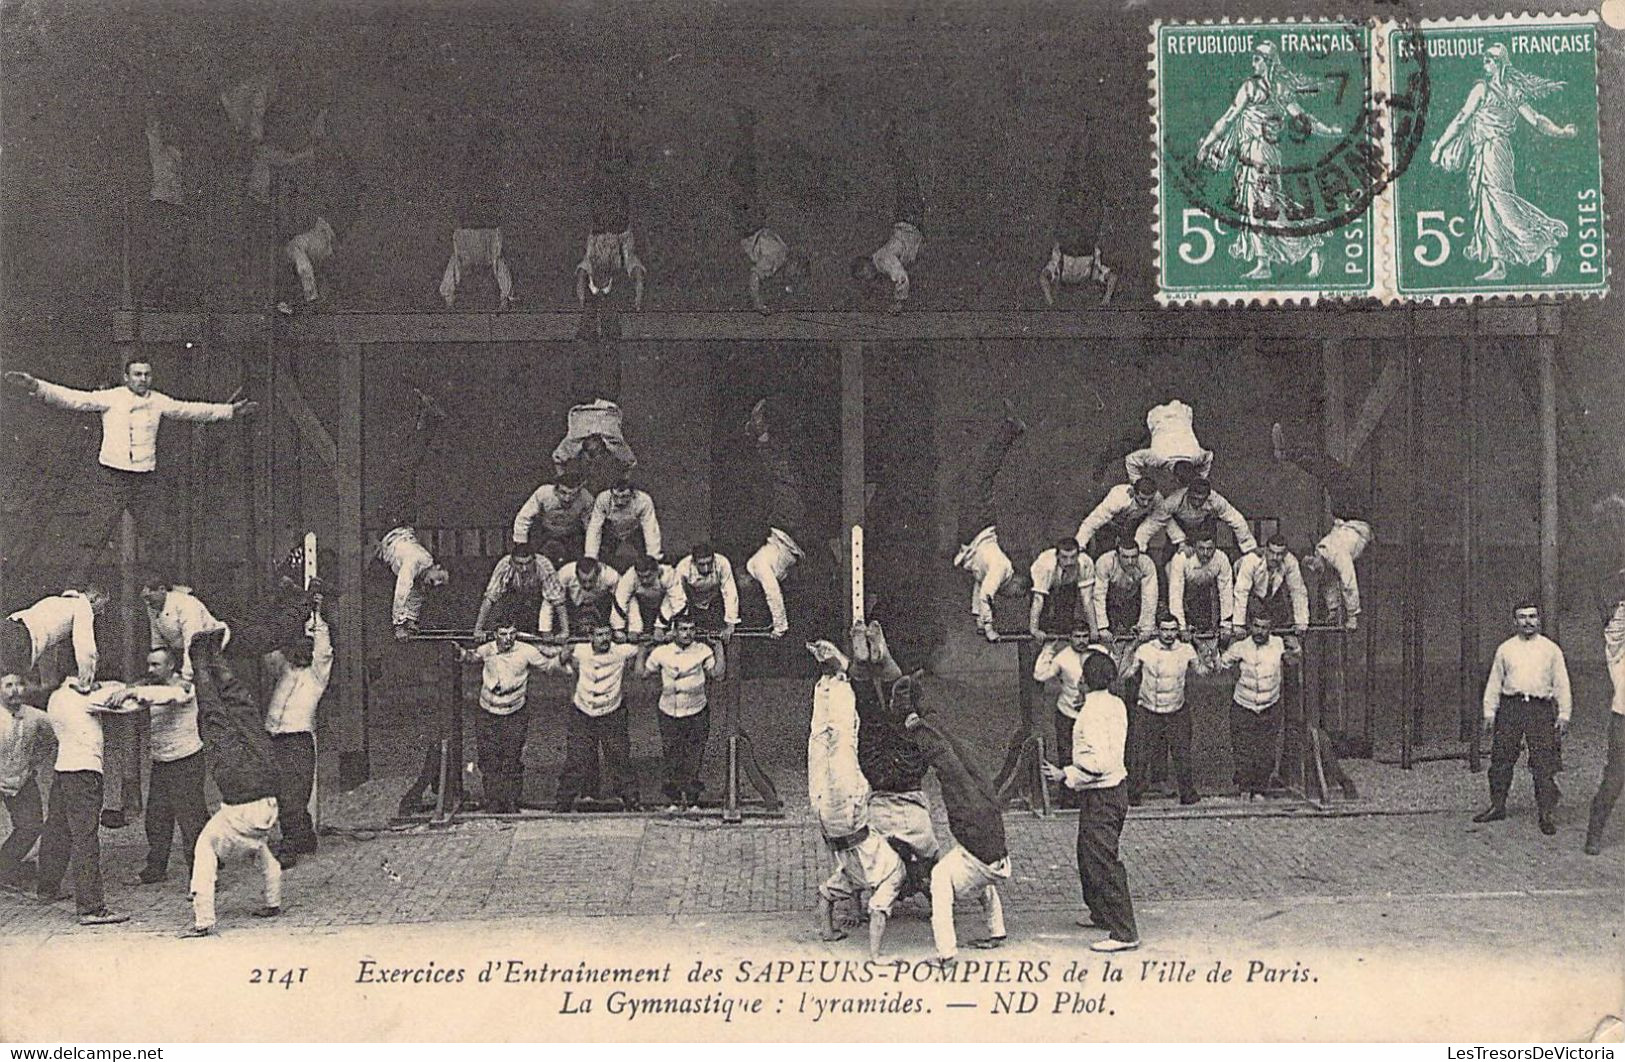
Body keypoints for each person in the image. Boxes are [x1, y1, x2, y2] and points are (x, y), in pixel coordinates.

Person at [4, 360, 256, 567]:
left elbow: (190, 410)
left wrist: (230, 411)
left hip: (144, 477)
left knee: (157, 534)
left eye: (147, 374)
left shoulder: (158, 401)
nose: (142, 379)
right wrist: (35, 385)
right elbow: (72, 399)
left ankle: (162, 586)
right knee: (95, 534)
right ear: (126, 377)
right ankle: (74, 590)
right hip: (112, 476)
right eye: (137, 374)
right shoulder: (111, 398)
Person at [1428, 42, 1577, 282]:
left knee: (1501, 203)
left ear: (1501, 63)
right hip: (1486, 151)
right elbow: (1462, 118)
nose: (1485, 61)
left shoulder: (1493, 90)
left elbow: (1535, 120)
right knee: (1488, 205)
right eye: (1485, 58)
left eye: (1491, 58)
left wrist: (1439, 147)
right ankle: (1500, 264)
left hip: (1495, 151)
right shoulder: (1495, 90)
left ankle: (1546, 245)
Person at [1195, 41, 1341, 281]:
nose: (1253, 63)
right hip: (1254, 154)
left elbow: (1229, 118)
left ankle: (1311, 245)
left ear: (1268, 61)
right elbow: (1305, 120)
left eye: (1257, 58)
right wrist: (1329, 130)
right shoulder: (1276, 88)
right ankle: (1265, 263)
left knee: (1267, 208)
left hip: (1261, 154)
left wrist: (1206, 144)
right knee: (1256, 208)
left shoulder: (1253, 88)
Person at [900, 675, 1010, 966]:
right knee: (959, 751)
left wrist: (914, 725)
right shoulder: (981, 793)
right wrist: (923, 712)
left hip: (980, 857)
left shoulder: (967, 802)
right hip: (993, 856)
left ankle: (946, 954)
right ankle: (997, 932)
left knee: (940, 879)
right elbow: (949, 749)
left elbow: (942, 758)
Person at [807, 639, 903, 959]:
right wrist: (833, 931)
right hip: (827, 816)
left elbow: (872, 911)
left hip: (846, 813)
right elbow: (831, 898)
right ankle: (831, 679)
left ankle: (834, 677)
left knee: (838, 739)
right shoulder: (863, 876)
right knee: (825, 740)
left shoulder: (879, 873)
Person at [183, 630, 283, 937]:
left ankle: (209, 656)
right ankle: (204, 656)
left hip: (263, 788)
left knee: (241, 712)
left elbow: (272, 869)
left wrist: (272, 901)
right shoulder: (252, 842)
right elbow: (271, 867)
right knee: (221, 715)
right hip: (255, 795)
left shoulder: (254, 840)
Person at [1041, 650, 1139, 953]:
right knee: (1087, 854)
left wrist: (1064, 774)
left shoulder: (1090, 713)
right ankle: (1100, 913)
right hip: (1112, 792)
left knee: (1103, 861)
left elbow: (1098, 764)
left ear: (1086, 679)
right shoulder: (1115, 704)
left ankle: (1124, 931)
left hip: (1103, 795)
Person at [37, 677, 130, 924]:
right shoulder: (84, 699)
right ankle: (91, 907)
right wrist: (109, 687)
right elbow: (127, 698)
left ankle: (47, 888)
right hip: (85, 774)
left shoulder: (57, 696)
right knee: (85, 838)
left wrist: (96, 685)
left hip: (63, 770)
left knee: (57, 829)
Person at [1476, 602, 1572, 835]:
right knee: (1501, 758)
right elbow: (1494, 682)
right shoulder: (1505, 649)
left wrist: (1564, 714)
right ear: (1514, 621)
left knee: (1543, 762)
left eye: (1532, 616)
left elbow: (1562, 683)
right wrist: (1490, 712)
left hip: (1540, 709)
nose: (1527, 621)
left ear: (1539, 620)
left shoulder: (1551, 650)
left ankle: (1545, 813)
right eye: (1522, 617)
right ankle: (1497, 805)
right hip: (1511, 708)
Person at [851, 620, 941, 867]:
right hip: (878, 776)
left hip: (906, 779)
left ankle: (880, 661)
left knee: (901, 722)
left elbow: (934, 862)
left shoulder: (924, 842)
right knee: (871, 721)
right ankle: (862, 664)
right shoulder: (880, 845)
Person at [119, 647, 209, 885]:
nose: (150, 669)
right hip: (161, 762)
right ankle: (155, 869)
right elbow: (134, 700)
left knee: (192, 823)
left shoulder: (184, 686)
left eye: (155, 665)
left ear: (171, 666)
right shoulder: (149, 688)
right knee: (157, 820)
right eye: (148, 664)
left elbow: (172, 695)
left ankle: (203, 876)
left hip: (186, 760)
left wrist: (136, 691)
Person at [1272, 424, 1374, 631]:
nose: (1320, 569)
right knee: (1330, 471)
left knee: (1328, 470)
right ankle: (1287, 453)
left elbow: (1329, 582)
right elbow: (1347, 581)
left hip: (1345, 518)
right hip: (1356, 516)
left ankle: (1287, 453)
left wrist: (1334, 610)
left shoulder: (1324, 553)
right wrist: (1352, 616)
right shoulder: (1334, 556)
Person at [457, 624, 561, 814]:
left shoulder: (526, 650)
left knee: (512, 758)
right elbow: (470, 657)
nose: (508, 638)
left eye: (512, 633)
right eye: (503, 634)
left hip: (515, 711)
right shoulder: (487, 648)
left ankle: (511, 800)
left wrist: (564, 653)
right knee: (489, 759)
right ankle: (494, 801)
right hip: (488, 712)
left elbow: (549, 665)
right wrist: (455, 649)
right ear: (495, 634)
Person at [376, 392, 451, 640]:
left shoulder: (422, 575)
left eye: (436, 585)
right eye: (439, 579)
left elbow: (416, 595)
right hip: (394, 520)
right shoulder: (419, 561)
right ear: (436, 567)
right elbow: (403, 588)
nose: (435, 584)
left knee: (406, 466)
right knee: (404, 466)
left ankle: (425, 420)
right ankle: (426, 420)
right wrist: (399, 623)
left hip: (392, 525)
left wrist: (411, 621)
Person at [262, 612, 334, 862]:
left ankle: (290, 846)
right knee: (280, 792)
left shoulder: (315, 677)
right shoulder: (284, 670)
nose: (302, 654)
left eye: (307, 650)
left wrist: (317, 618)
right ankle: (304, 837)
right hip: (274, 737)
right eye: (298, 649)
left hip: (297, 740)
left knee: (293, 793)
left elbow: (324, 652)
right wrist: (293, 615)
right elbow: (270, 651)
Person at [952, 409, 1028, 642]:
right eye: (1016, 594)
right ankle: (1011, 429)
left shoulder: (996, 573)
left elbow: (979, 587)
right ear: (1017, 583)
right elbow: (986, 594)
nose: (1011, 597)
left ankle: (1010, 429)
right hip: (979, 524)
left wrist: (978, 618)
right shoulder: (1002, 569)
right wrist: (989, 627)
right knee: (982, 475)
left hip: (975, 530)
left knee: (977, 477)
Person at [554, 621, 643, 811]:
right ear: (590, 637)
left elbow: (643, 643)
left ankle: (632, 801)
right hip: (583, 711)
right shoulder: (579, 650)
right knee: (577, 757)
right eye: (599, 635)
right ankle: (563, 803)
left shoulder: (621, 651)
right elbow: (556, 656)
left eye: (607, 634)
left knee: (619, 757)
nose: (604, 639)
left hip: (611, 711)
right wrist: (563, 652)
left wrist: (633, 636)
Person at [743, 398, 812, 638]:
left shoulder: (753, 565)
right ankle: (763, 434)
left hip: (783, 530)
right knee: (782, 479)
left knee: (780, 478)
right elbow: (772, 590)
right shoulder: (759, 568)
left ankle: (763, 434)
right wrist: (779, 624)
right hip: (790, 530)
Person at [1121, 613, 1205, 805]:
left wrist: (1198, 643)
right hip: (1148, 709)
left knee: (1182, 755)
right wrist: (1132, 646)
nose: (1169, 634)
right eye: (1165, 630)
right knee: (1140, 755)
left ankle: (1188, 794)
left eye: (1173, 630)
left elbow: (1203, 671)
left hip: (1176, 710)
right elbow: (1125, 673)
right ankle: (1134, 796)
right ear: (1158, 630)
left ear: (1177, 631)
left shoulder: (1186, 650)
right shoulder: (1145, 650)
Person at [730, 106, 807, 314]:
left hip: (749, 224)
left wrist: (758, 303)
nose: (794, 271)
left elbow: (755, 275)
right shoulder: (779, 258)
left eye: (796, 273)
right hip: (754, 221)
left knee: (742, 174)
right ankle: (745, 127)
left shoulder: (774, 263)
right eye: (797, 270)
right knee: (745, 173)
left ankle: (744, 127)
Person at [1211, 614, 1298, 799]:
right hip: (1243, 704)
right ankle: (1244, 787)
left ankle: (1259, 788)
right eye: (1257, 626)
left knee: (1265, 751)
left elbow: (1292, 662)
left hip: (1270, 705)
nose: (1260, 631)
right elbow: (1220, 665)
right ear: (1251, 626)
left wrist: (1297, 648)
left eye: (1264, 627)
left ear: (1270, 628)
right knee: (1243, 748)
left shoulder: (1279, 644)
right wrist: (1216, 646)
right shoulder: (1241, 647)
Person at [643, 613, 720, 809]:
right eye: (683, 629)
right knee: (672, 754)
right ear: (674, 631)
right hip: (669, 711)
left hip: (696, 710)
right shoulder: (662, 652)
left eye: (691, 629)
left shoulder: (702, 650)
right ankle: (675, 799)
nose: (687, 634)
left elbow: (718, 674)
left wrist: (718, 647)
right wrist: (643, 649)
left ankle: (693, 799)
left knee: (694, 755)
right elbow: (642, 673)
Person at [850, 119, 924, 314]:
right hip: (909, 223)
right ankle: (892, 143)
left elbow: (901, 276)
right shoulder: (881, 265)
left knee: (905, 177)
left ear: (866, 265)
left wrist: (899, 303)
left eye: (863, 274)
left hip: (909, 220)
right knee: (905, 178)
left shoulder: (882, 260)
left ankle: (892, 141)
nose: (866, 278)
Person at [439, 120, 516, 309]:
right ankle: (505, 298)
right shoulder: (480, 175)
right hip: (478, 224)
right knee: (493, 259)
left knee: (484, 258)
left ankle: (450, 298)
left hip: (478, 224)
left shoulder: (481, 175)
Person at [1039, 123, 1117, 306]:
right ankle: (1090, 140)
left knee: (1071, 184)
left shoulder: (1057, 272)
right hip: (1087, 233)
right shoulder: (1093, 275)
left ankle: (1078, 139)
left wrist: (1051, 303)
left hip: (1068, 229)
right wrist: (1106, 300)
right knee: (1093, 187)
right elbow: (1112, 277)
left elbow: (1043, 279)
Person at [576, 124, 647, 311]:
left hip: (603, 223)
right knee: (616, 182)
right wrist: (638, 299)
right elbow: (634, 266)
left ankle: (608, 140)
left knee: (605, 181)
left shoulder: (591, 261)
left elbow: (581, 277)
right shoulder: (618, 262)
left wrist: (583, 300)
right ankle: (618, 140)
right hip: (617, 225)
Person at [0, 672, 52, 890]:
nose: (15, 690)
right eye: (8, 685)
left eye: (20, 684)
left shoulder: (36, 716)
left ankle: (4, 867)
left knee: (31, 825)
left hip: (21, 778)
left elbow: (51, 739)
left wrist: (33, 764)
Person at [1585, 568, 1625, 854]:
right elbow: (1615, 630)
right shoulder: (1619, 655)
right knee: (1615, 778)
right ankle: (1594, 833)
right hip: (1624, 720)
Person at [1033, 626, 1099, 798]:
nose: (1082, 640)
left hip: (1092, 715)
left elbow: (1118, 671)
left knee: (1092, 754)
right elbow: (1040, 675)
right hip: (1067, 714)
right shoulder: (1063, 658)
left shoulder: (1099, 653)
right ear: (1070, 637)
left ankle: (1091, 795)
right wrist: (1048, 648)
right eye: (1077, 636)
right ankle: (1068, 799)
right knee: (1067, 755)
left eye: (1085, 636)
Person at [3, 587, 106, 692]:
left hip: (12, 628)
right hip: (19, 638)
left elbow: (47, 646)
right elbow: (85, 647)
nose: (102, 612)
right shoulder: (83, 606)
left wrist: (48, 683)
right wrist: (85, 684)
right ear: (94, 598)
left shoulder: (58, 602)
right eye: (103, 605)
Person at [141, 114, 196, 309]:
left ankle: (166, 297)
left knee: (176, 253)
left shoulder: (177, 153)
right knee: (162, 251)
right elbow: (152, 130)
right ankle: (151, 296)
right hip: (162, 203)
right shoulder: (158, 150)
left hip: (177, 206)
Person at [140, 573, 230, 680]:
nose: (147, 603)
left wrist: (185, 677)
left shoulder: (186, 604)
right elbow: (158, 643)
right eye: (144, 599)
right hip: (190, 650)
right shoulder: (153, 607)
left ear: (162, 589)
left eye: (149, 597)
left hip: (216, 646)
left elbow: (193, 643)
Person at [1137, 477, 1256, 556]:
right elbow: (1152, 522)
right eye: (1194, 498)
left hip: (1203, 527)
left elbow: (1236, 519)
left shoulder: (1215, 500)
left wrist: (1249, 547)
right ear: (1188, 493)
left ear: (1208, 495)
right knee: (1171, 561)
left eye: (1202, 499)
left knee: (1209, 559)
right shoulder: (1174, 500)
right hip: (1180, 527)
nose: (1198, 503)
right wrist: (1139, 548)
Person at [474, 540, 567, 637]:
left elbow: (557, 600)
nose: (524, 568)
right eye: (519, 564)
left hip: (538, 599)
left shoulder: (544, 566)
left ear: (534, 560)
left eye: (528, 563)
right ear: (511, 562)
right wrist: (478, 630)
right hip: (513, 598)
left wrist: (565, 632)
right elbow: (490, 598)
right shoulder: (504, 565)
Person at [1233, 535, 1310, 642]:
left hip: (1271, 595)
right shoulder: (1251, 560)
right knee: (1250, 632)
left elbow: (1298, 591)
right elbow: (1241, 591)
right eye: (1272, 552)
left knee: (1278, 630)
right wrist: (1238, 624)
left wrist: (1302, 622)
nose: (1275, 557)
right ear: (1265, 550)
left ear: (1285, 553)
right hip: (1248, 590)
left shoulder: (1290, 561)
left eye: (1279, 554)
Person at [1093, 537, 1159, 659]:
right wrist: (1102, 626)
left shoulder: (1146, 563)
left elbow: (1150, 596)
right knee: (1109, 640)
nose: (1130, 561)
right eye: (1125, 557)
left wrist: (1146, 626)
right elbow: (1098, 595)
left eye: (1134, 557)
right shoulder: (1105, 562)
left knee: (1135, 638)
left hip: (1132, 600)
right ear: (1117, 556)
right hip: (1110, 601)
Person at [1168, 522, 1236, 639]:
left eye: (1210, 549)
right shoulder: (1181, 559)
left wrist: (1226, 624)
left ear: (1215, 547)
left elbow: (1226, 592)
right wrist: (1182, 627)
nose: (1206, 553)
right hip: (1179, 585)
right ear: (1194, 547)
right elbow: (1176, 595)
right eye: (1201, 548)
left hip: (1204, 589)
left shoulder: (1221, 559)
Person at [1124, 400, 1214, 484]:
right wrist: (1137, 483)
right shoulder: (1158, 457)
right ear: (1175, 478)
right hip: (1159, 419)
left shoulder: (1197, 455)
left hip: (1181, 417)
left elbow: (1209, 456)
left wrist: (1202, 479)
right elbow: (1131, 459)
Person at [511, 469, 595, 558]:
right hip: (544, 533)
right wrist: (521, 544)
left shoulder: (586, 499)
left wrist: (590, 551)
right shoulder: (543, 493)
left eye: (573, 494)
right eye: (563, 492)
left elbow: (591, 526)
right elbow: (524, 517)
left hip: (571, 535)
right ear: (555, 489)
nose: (567, 498)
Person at [584, 474, 662, 569]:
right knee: (603, 562)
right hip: (611, 532)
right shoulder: (603, 499)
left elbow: (650, 529)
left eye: (625, 497)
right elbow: (594, 528)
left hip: (634, 531)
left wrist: (654, 558)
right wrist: (591, 557)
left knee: (645, 561)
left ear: (634, 494)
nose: (620, 501)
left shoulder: (644, 501)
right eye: (616, 497)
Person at [1030, 537, 1097, 645]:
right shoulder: (1045, 565)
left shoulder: (1085, 563)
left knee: (1066, 616)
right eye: (1064, 557)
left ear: (1078, 555)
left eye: (1073, 557)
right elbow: (1038, 599)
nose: (1069, 562)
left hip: (1067, 585)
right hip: (1043, 584)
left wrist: (1094, 629)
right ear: (1057, 556)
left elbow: (1087, 599)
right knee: (1043, 619)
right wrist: (1034, 629)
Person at [1075, 479, 1163, 557]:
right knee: (1104, 555)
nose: (1146, 503)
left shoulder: (1157, 499)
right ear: (1134, 492)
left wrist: (1141, 548)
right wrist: (1080, 546)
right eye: (1142, 499)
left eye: (1150, 500)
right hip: (1109, 524)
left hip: (1132, 526)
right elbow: (1093, 522)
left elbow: (1157, 521)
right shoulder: (1118, 498)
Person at [674, 543, 740, 643]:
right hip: (692, 603)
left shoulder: (722, 563)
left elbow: (730, 592)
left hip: (715, 601)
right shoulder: (682, 568)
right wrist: (676, 623)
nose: (706, 568)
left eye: (709, 563)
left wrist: (730, 623)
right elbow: (678, 597)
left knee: (727, 636)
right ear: (693, 562)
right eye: (701, 564)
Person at [552, 400, 639, 475]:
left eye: (595, 454)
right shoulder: (574, 440)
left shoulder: (613, 440)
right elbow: (558, 459)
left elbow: (631, 462)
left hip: (592, 408)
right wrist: (564, 479)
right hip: (600, 408)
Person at [613, 555, 686, 639]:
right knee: (631, 599)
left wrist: (675, 630)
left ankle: (661, 628)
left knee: (669, 599)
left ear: (656, 571)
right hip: (641, 608)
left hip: (662, 607)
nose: (644, 580)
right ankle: (635, 630)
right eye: (641, 577)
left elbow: (678, 602)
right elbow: (620, 600)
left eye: (648, 576)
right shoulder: (630, 576)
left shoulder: (668, 574)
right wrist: (618, 629)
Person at [550, 555, 620, 633]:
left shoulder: (611, 576)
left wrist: (618, 628)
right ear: (576, 576)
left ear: (598, 575)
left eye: (591, 580)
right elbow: (551, 599)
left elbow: (622, 601)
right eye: (583, 581)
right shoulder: (564, 573)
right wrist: (564, 630)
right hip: (573, 609)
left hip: (601, 609)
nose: (587, 586)